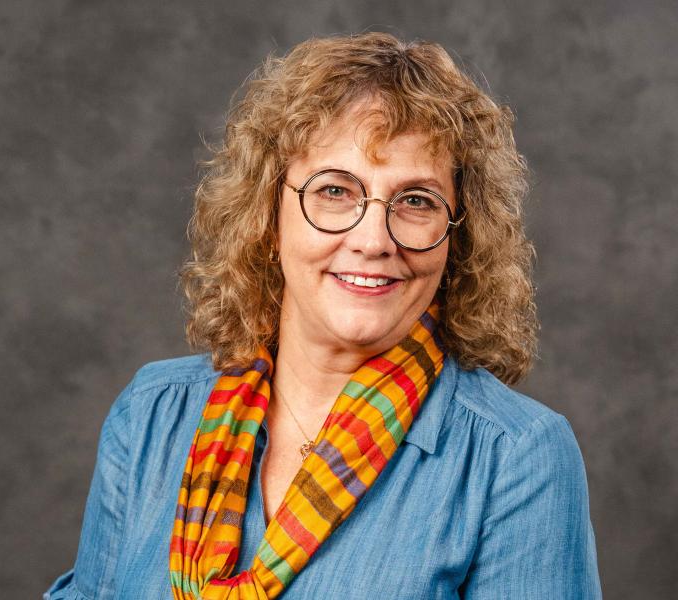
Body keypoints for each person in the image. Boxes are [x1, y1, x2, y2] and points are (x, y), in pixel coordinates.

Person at [46, 33, 602, 599]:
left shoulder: (516, 457)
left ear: (458, 239)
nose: (372, 240)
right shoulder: (151, 417)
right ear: (267, 217)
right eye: (335, 191)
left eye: (416, 201)